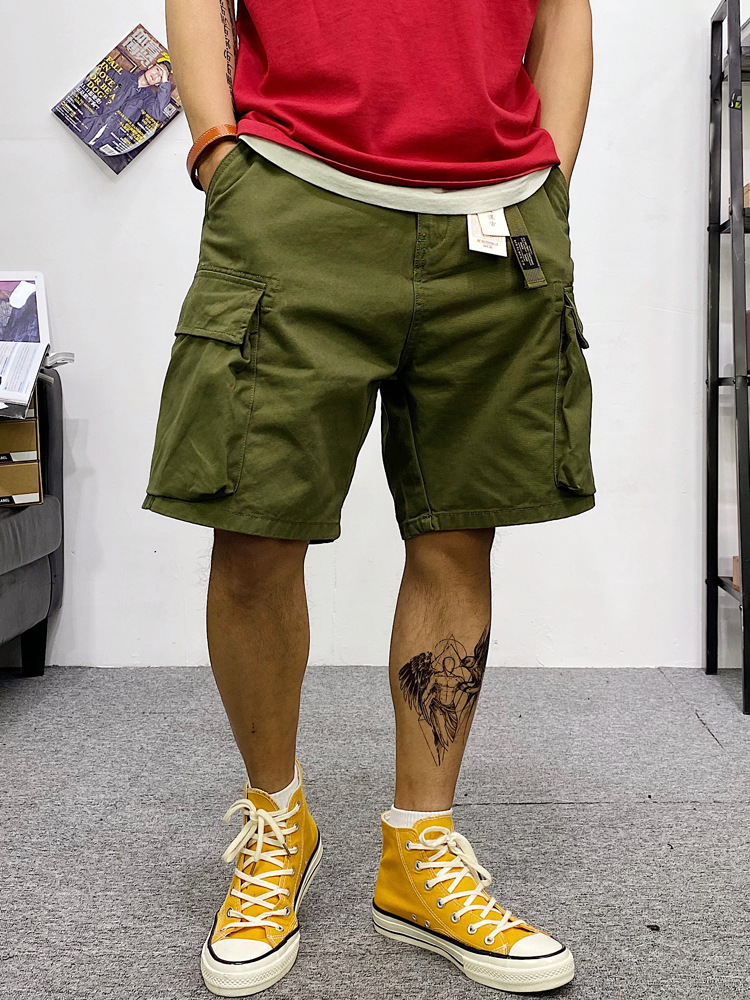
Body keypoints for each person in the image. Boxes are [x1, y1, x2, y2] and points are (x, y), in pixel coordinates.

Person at [142, 0, 594, 995]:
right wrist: (217, 148)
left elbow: (565, 10)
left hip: (496, 218)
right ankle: (277, 821)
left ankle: (418, 852)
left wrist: (552, 177)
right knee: (253, 529)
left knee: (457, 535)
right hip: (294, 199)